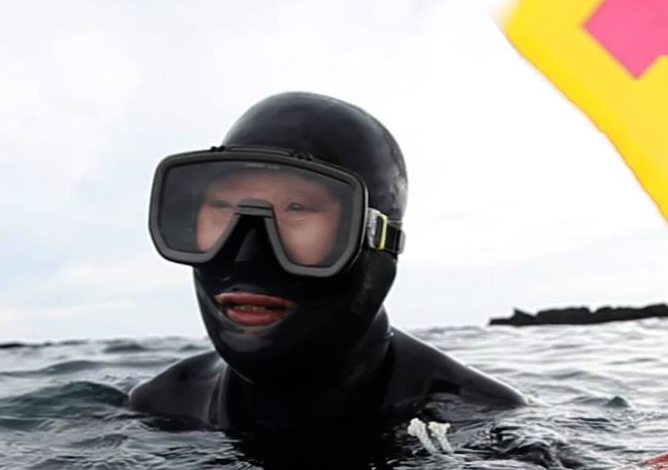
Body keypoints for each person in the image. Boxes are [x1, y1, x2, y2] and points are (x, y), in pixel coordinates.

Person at [130, 92, 524, 433]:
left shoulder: (483, 427)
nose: (246, 252)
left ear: (379, 243)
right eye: (223, 205)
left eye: (297, 207)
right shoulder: (161, 407)